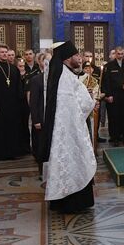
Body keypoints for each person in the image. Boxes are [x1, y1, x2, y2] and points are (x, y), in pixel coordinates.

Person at [37, 41, 96, 213]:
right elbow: (81, 104)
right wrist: (91, 100)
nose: (80, 59)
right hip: (70, 131)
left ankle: (64, 201)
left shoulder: (61, 74)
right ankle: (73, 203)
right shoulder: (65, 77)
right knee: (74, 162)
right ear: (67, 58)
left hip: (64, 131)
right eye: (77, 56)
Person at [0, 44, 29, 160]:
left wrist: (20, 100)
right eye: (2, 52)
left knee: (13, 129)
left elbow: (19, 86)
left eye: (5, 52)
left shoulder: (13, 68)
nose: (4, 54)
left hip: (13, 104)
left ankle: (14, 152)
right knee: (0, 130)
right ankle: (1, 153)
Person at [101, 46, 124, 145]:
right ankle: (115, 138)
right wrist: (108, 95)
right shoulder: (109, 66)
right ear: (115, 54)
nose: (120, 56)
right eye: (118, 54)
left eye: (122, 54)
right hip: (114, 95)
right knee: (113, 117)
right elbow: (105, 82)